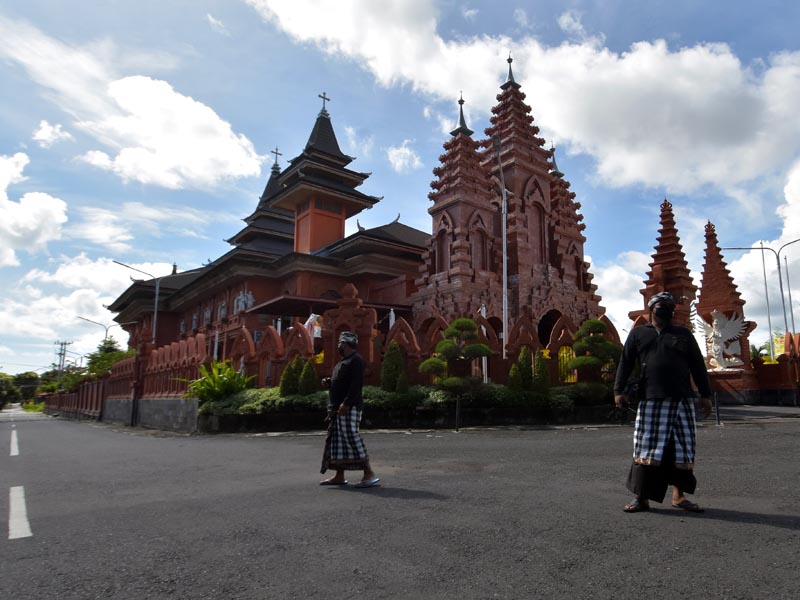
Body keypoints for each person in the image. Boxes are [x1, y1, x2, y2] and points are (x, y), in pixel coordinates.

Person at [614, 291, 712, 513]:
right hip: (651, 399)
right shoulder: (639, 334)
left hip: (682, 399)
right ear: (651, 309)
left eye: (669, 305)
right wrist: (618, 390)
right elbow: (625, 363)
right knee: (646, 448)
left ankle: (679, 496)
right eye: (661, 305)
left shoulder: (683, 334)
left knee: (682, 448)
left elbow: (698, 365)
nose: (665, 309)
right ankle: (641, 498)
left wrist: (705, 394)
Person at [319, 331, 380, 488]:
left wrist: (346, 403)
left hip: (348, 407)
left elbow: (356, 385)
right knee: (337, 441)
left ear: (345, 344)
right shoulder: (343, 362)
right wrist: (329, 383)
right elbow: (341, 382)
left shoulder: (356, 360)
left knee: (351, 437)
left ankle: (369, 473)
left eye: (340, 343)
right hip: (337, 408)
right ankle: (339, 475)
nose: (338, 345)